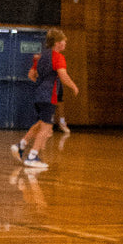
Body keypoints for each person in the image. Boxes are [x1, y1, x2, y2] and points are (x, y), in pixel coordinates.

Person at [10, 28, 78, 171]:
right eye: (64, 41)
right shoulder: (58, 57)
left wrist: (42, 82)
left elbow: (31, 75)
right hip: (49, 96)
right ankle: (32, 156)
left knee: (41, 123)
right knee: (46, 128)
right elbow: (63, 75)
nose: (65, 44)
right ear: (57, 43)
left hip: (38, 94)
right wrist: (73, 86)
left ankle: (21, 145)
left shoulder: (41, 57)